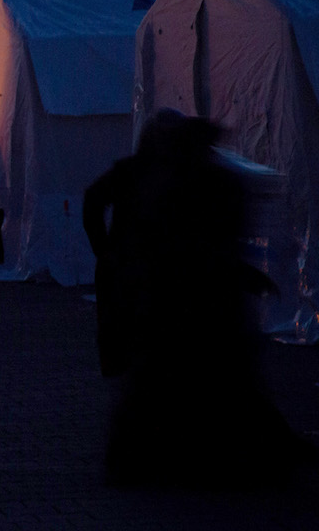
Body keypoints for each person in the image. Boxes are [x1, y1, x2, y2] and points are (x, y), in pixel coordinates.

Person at [83, 109, 308, 485]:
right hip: (173, 293)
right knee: (180, 375)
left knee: (174, 375)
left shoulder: (179, 178)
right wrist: (108, 251)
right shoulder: (161, 177)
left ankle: (158, 454)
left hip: (173, 294)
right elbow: (192, 242)